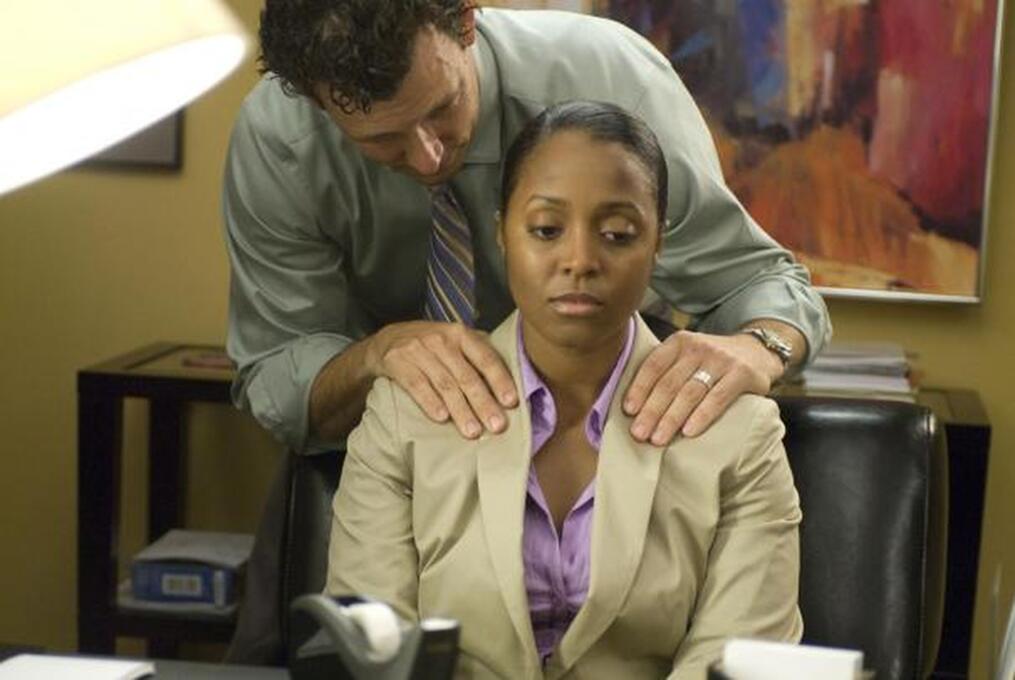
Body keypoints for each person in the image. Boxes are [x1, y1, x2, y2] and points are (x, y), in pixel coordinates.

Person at [222, 0, 827, 663]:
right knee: (286, 656)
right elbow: (278, 372)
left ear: (465, 23)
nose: (427, 156)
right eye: (383, 141)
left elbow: (752, 279)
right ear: (316, 103)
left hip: (631, 419)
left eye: (441, 109)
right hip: (393, 428)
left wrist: (759, 347)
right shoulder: (281, 141)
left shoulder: (610, 76)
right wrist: (375, 357)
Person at [328, 100, 803, 679]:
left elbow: (737, 659)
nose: (580, 260)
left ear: (658, 243)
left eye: (617, 234)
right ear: (502, 233)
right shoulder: (407, 411)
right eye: (547, 230)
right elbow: (372, 647)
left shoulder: (740, 431)